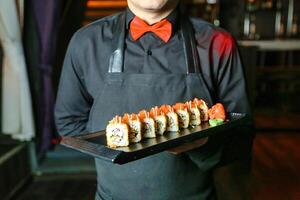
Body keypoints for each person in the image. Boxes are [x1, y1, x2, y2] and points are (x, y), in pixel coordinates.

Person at [55, 0, 254, 199]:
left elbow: (241, 136)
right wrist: (114, 142)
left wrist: (202, 145)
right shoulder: (86, 42)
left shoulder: (217, 43)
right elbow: (69, 122)